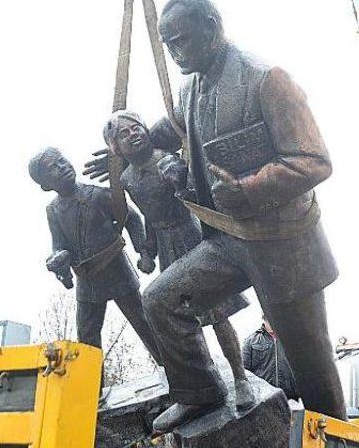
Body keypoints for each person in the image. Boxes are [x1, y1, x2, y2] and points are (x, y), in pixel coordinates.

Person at [133, 0, 345, 432]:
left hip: (282, 247)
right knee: (159, 301)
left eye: (182, 41)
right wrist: (125, 141)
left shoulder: (266, 79)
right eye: (167, 44)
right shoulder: (192, 89)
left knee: (313, 373)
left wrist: (249, 189)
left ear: (212, 27)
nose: (174, 54)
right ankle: (200, 391)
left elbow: (314, 161)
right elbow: (166, 132)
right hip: (227, 241)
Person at [101, 109, 255, 410]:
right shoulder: (127, 178)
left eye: (136, 127)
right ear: (115, 149)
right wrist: (147, 251)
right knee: (181, 318)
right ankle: (207, 381)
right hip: (166, 245)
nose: (134, 133)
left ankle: (240, 378)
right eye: (124, 133)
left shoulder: (166, 159)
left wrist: (182, 183)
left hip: (192, 235)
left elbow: (198, 194)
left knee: (216, 313)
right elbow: (147, 216)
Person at [29, 147, 162, 365]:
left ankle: (175, 375)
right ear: (45, 185)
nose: (62, 167)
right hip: (87, 280)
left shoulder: (97, 195)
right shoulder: (53, 210)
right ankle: (92, 392)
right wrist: (58, 258)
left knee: (144, 323)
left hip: (117, 271)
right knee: (87, 338)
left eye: (62, 160)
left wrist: (144, 252)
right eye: (53, 168)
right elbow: (60, 244)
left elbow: (132, 218)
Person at [242, 318, 299, 401]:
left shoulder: (293, 340)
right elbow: (244, 371)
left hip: (291, 397)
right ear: (263, 318)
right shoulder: (250, 341)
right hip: (263, 397)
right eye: (268, 319)